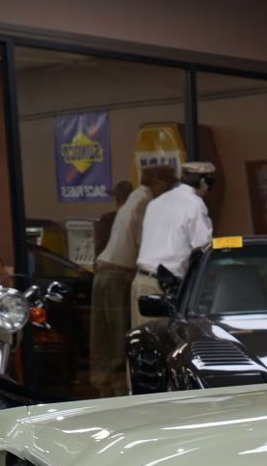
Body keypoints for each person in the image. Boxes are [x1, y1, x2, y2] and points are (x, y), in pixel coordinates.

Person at [90, 175, 161, 395]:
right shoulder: (143, 202)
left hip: (101, 274)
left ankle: (103, 388)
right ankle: (119, 390)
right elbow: (142, 244)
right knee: (119, 337)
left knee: (102, 337)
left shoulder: (125, 207)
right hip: (119, 277)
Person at [133, 161, 216, 326]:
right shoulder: (194, 204)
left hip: (141, 282)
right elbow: (204, 248)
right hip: (163, 287)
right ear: (202, 182)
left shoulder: (156, 203)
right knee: (165, 343)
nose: (208, 190)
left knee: (144, 342)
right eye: (209, 184)